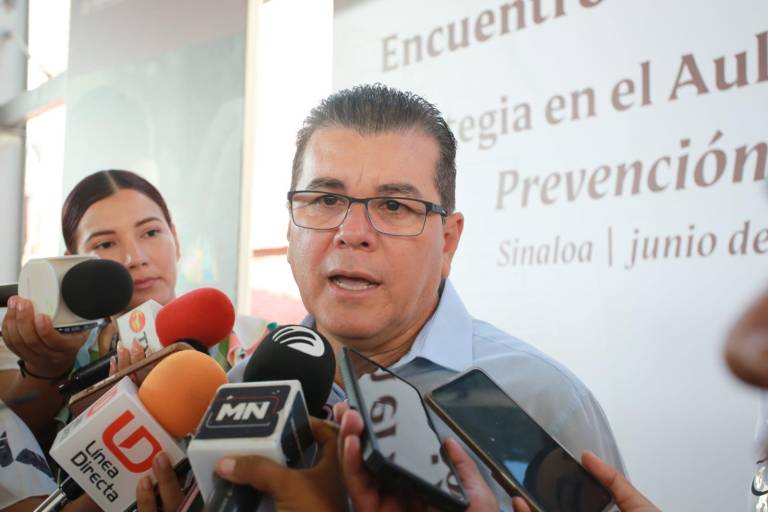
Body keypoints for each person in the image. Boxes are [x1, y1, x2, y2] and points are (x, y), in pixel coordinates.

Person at [224, 83, 624, 509]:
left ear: (448, 242)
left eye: (394, 206)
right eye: (326, 199)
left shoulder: (541, 401)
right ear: (289, 231)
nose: (352, 233)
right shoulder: (241, 391)